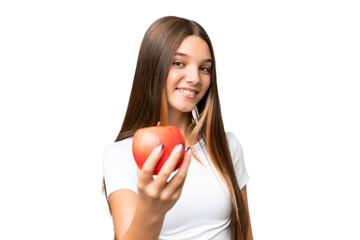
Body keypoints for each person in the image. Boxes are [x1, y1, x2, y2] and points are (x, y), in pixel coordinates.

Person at [103, 16, 253, 240]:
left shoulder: (227, 146)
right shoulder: (122, 155)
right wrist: (151, 212)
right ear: (153, 66)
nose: (194, 78)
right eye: (179, 63)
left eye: (204, 68)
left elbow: (245, 234)